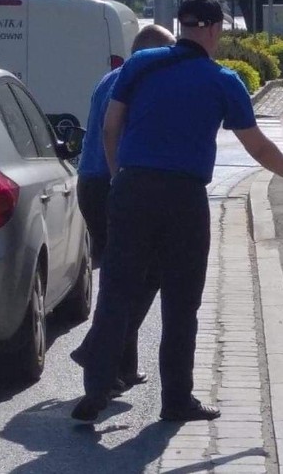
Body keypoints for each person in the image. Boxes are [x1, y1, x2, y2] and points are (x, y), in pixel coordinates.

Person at [71, 0, 283, 424]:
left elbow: (111, 127)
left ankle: (97, 389)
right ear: (212, 28)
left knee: (117, 290)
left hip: (131, 188)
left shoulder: (137, 66)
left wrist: (118, 178)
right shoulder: (222, 80)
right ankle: (176, 400)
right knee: (181, 301)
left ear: (183, 25)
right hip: (183, 197)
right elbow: (256, 146)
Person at [73, 24, 176, 395]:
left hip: (91, 182)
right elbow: (117, 134)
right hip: (114, 182)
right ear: (151, 54)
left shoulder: (110, 78)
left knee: (125, 276)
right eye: (168, 52)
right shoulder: (138, 83)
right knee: (144, 275)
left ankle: (120, 365)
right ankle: (101, 351)